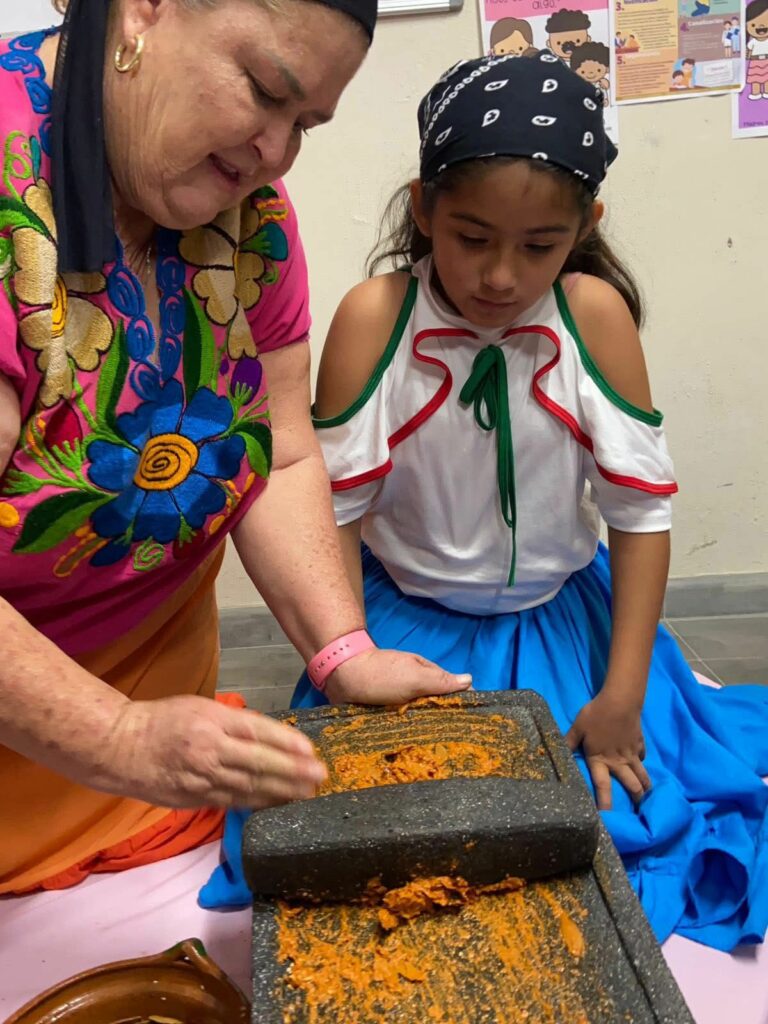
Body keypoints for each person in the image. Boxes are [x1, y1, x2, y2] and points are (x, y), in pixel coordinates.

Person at [240, 53, 767, 951]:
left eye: (539, 246)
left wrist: (625, 691)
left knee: (610, 828)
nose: (498, 277)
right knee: (386, 857)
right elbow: (330, 520)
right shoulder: (376, 318)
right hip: (408, 632)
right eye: (471, 237)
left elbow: (641, 519)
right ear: (422, 208)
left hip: (570, 625)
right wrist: (343, 664)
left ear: (584, 227)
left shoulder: (592, 316)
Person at [0, 0, 470, 898]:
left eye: (307, 125)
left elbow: (282, 451)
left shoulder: (244, 206)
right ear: (144, 9)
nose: (276, 154)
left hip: (159, 721)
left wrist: (344, 651)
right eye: (263, 91)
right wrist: (116, 739)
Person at [746, 0, 768, 99]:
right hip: (755, 61)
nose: (761, 27)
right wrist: (747, 57)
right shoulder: (752, 42)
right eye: (753, 25)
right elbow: (748, 51)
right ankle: (756, 93)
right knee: (755, 79)